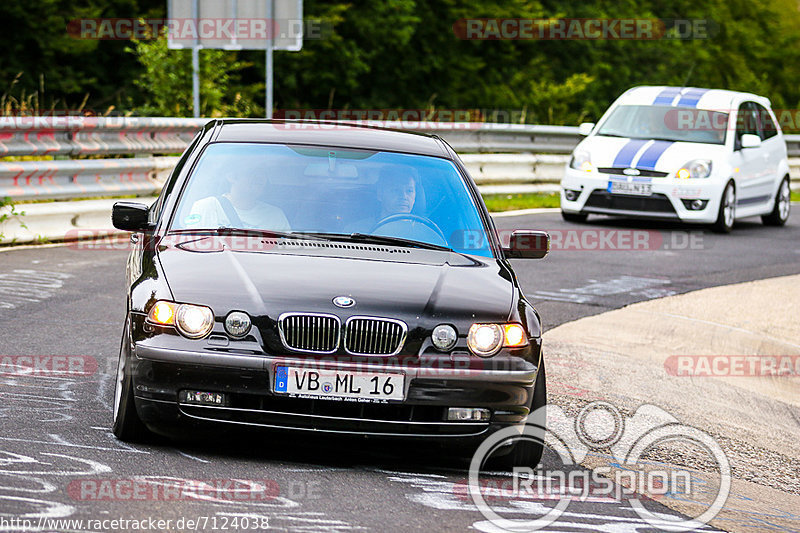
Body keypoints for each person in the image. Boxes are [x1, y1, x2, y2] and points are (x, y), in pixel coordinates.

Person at [185, 165, 290, 231]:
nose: (259, 177)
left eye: (263, 173)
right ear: (232, 177)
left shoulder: (275, 215)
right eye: (252, 172)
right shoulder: (206, 207)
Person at [346, 166, 418, 233]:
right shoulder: (357, 230)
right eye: (395, 190)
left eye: (409, 191)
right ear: (380, 194)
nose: (404, 196)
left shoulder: (422, 232)